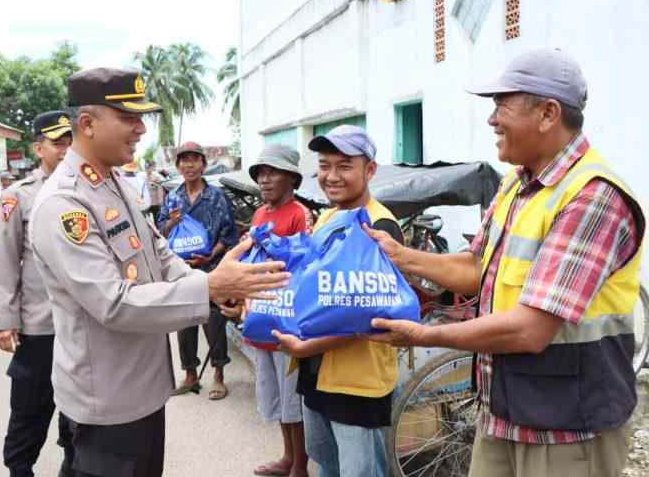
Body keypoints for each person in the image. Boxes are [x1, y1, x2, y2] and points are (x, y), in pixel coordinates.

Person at [365, 49, 644, 477]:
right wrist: (402, 256)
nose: (492, 119)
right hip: (503, 412)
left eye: (502, 105)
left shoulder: (592, 197)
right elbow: (477, 268)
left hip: (568, 428)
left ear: (548, 113)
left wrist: (423, 335)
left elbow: (530, 330)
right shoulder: (517, 184)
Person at [28, 67, 289, 477]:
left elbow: (160, 255)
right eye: (128, 118)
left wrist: (217, 287)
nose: (141, 129)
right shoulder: (64, 204)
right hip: (108, 400)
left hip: (143, 388)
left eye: (141, 118)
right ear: (88, 124)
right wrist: (209, 287)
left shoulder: (114, 183)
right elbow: (113, 303)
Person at [273, 125, 404, 477]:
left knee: (360, 471)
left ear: (370, 170)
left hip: (357, 384)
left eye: (344, 166)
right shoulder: (329, 217)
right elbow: (312, 288)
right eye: (324, 165)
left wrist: (306, 346)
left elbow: (371, 318)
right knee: (327, 466)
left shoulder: (380, 226)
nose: (331, 176)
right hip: (317, 377)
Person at [0, 110, 75, 477]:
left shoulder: (87, 187)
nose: (66, 149)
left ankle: (73, 465)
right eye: (58, 143)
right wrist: (5, 320)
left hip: (83, 322)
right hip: (39, 323)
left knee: (79, 410)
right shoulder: (18, 195)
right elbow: (7, 261)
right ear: (38, 148)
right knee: (30, 407)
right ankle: (20, 468)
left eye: (71, 141)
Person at [242, 144, 312, 477]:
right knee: (275, 396)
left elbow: (304, 265)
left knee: (292, 398)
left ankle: (300, 465)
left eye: (272, 173)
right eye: (261, 174)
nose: (264, 180)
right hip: (262, 314)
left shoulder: (299, 214)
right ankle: (286, 457)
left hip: (287, 317)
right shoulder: (260, 214)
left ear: (292, 179)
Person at [158, 141, 239, 400]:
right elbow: (160, 232)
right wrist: (172, 222)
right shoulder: (173, 197)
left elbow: (229, 234)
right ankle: (190, 375)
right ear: (178, 166)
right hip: (180, 270)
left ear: (203, 165)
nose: (189, 164)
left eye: (195, 159)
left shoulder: (216, 197)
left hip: (210, 268)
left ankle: (218, 375)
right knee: (184, 321)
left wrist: (210, 256)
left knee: (213, 321)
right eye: (184, 160)